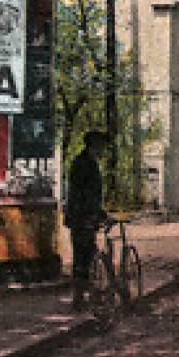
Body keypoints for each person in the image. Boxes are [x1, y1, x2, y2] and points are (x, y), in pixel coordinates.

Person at [64, 130, 108, 310]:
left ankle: (85, 296)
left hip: (85, 217)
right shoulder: (83, 164)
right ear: (93, 145)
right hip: (81, 218)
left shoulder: (89, 162)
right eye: (100, 146)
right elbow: (83, 195)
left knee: (87, 257)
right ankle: (81, 298)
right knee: (84, 257)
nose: (101, 149)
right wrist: (94, 214)